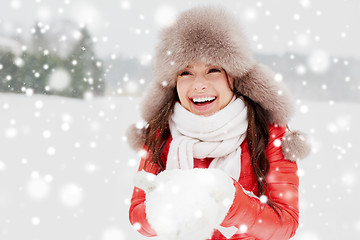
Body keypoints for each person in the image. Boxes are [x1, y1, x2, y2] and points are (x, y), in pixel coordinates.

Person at [127, 6, 310, 240]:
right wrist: (165, 201)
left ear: (232, 76)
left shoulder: (269, 133)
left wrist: (230, 200)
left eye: (212, 70)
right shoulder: (161, 134)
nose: (198, 85)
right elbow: (138, 218)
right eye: (186, 73)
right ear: (174, 81)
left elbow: (285, 224)